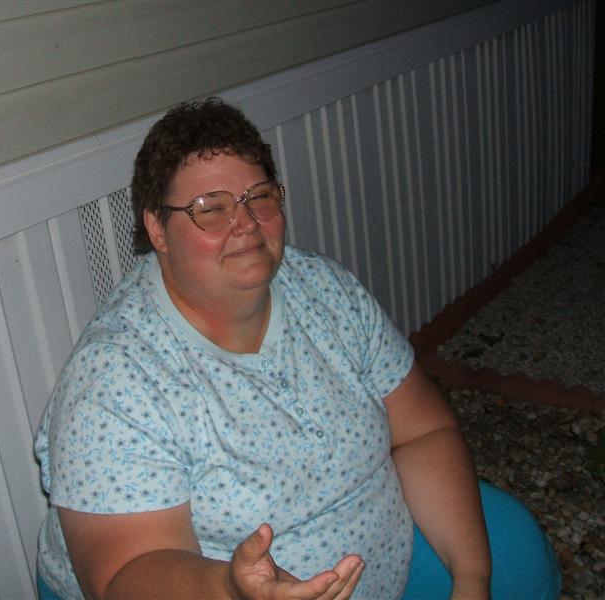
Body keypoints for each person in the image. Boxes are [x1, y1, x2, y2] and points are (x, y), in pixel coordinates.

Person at [34, 98, 560, 599]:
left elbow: (423, 431)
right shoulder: (115, 378)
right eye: (210, 209)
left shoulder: (325, 288)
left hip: (375, 548)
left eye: (259, 197)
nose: (245, 223)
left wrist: (471, 580)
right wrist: (232, 589)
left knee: (515, 553)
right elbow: (125, 575)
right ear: (157, 229)